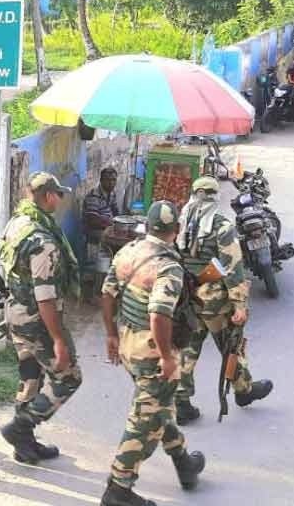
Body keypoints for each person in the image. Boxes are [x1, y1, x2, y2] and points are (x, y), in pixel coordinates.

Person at [100, 201, 206, 506]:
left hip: (128, 343)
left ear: (147, 226)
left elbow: (107, 294)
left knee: (156, 405)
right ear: (177, 231)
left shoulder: (128, 252)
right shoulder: (168, 267)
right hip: (153, 352)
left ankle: (184, 463)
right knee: (143, 419)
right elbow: (160, 314)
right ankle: (118, 489)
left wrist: (110, 334)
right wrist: (167, 357)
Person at [0, 172, 82, 464]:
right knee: (68, 377)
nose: (60, 199)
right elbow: (44, 295)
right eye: (58, 194)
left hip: (15, 312)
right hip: (35, 319)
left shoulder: (17, 224)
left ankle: (25, 446)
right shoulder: (42, 240)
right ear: (48, 196)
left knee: (31, 377)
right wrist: (58, 340)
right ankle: (20, 429)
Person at [174, 176, 273, 425]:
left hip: (188, 300)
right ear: (215, 196)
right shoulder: (221, 226)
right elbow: (232, 267)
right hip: (216, 305)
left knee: (187, 350)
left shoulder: (181, 223)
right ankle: (243, 390)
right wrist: (239, 305)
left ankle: (181, 402)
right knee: (232, 348)